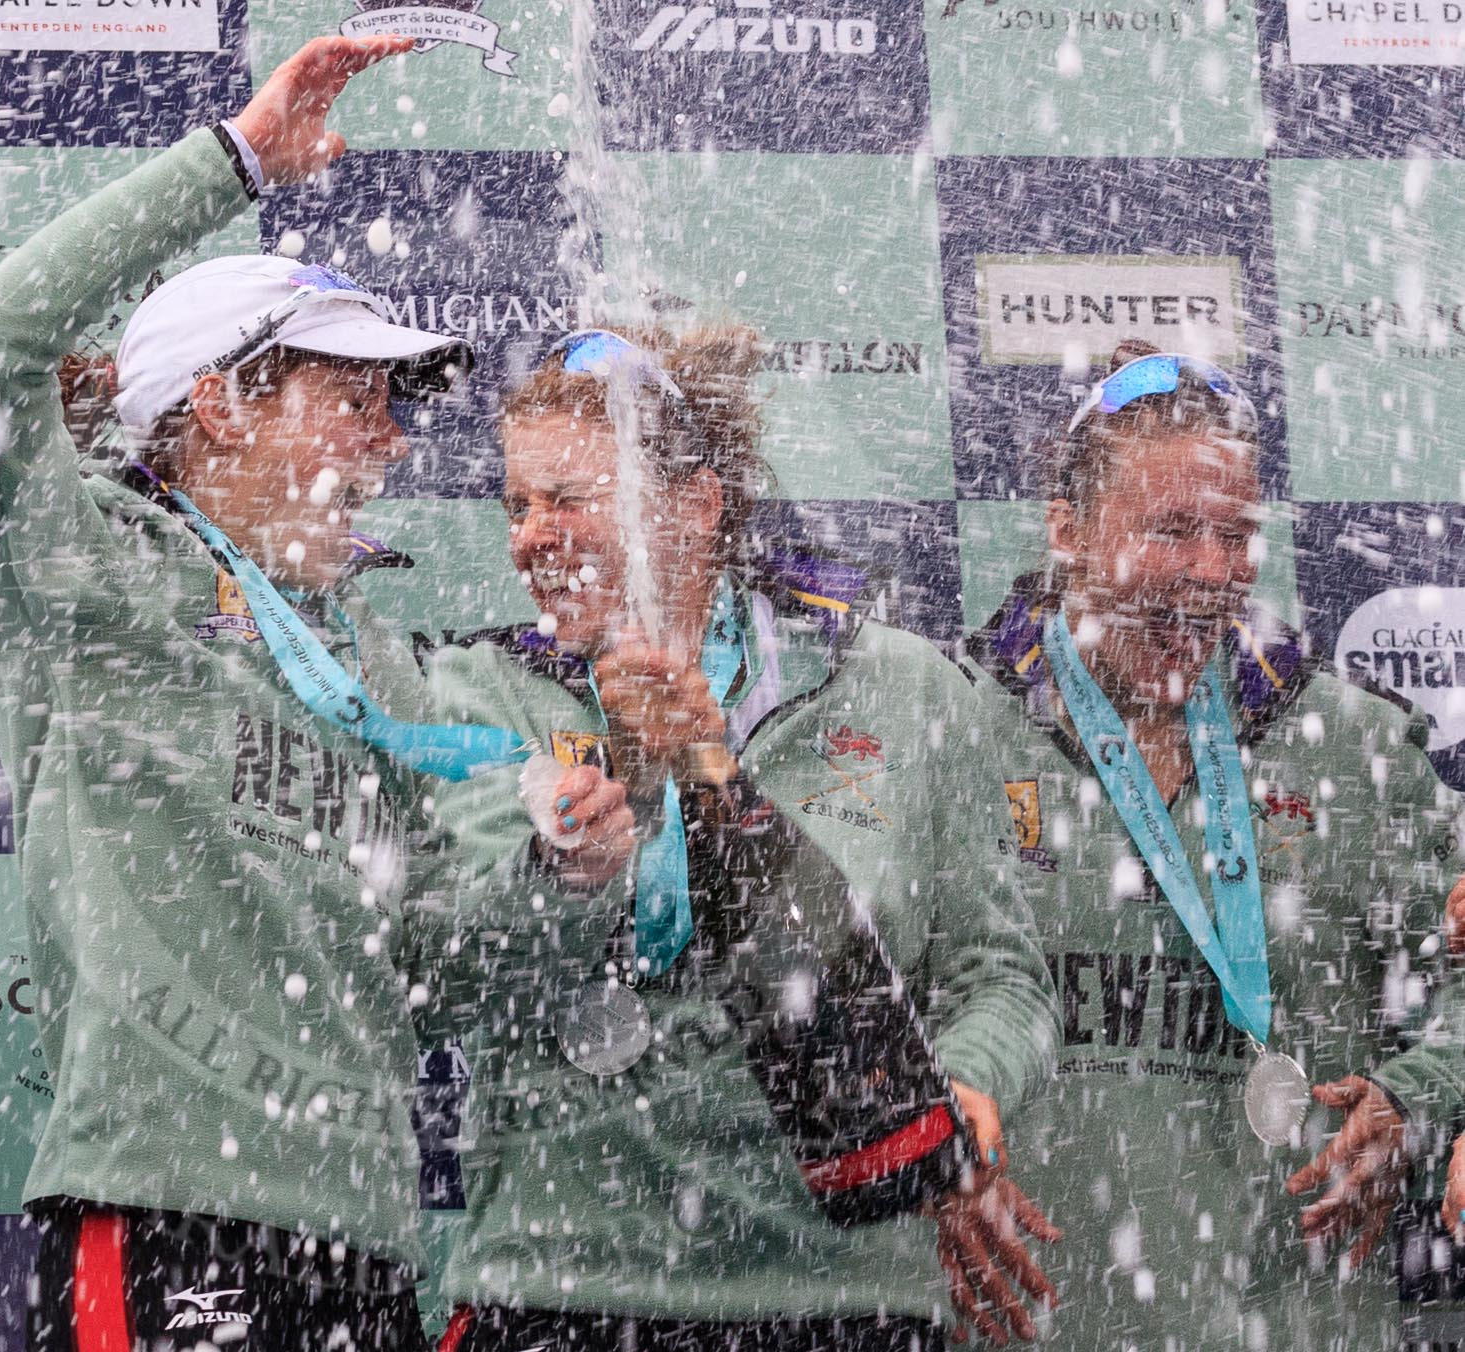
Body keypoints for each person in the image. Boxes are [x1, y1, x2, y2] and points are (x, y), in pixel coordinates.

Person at [0, 34, 504, 1352]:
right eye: (351, 396)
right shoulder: (81, 567)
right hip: (166, 1214)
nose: (389, 439)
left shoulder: (374, 660)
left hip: (362, 1239)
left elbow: (440, 968)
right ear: (222, 407)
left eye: (393, 406)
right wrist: (235, 162)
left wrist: (570, 876)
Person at [421, 325, 1061, 1351]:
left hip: (846, 1292)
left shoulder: (896, 686)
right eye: (516, 504)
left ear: (694, 506)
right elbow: (462, 983)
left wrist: (965, 1089)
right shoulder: (477, 694)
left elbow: (1005, 976)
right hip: (567, 1279)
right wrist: (586, 841)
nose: (528, 538)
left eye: (569, 499)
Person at [962, 342, 1465, 1350]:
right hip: (1022, 1318)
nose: (1207, 570)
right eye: (1171, 530)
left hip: (1296, 1318)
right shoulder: (957, 727)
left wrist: (1423, 1095)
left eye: (1234, 534)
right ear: (1065, 530)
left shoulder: (1355, 746)